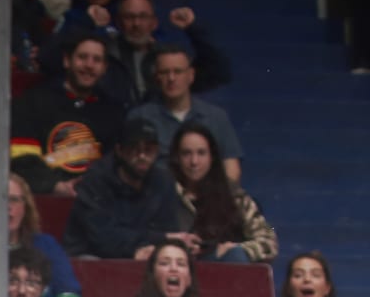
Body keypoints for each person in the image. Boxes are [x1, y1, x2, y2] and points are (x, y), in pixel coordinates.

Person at [11, 31, 125, 196]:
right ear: (67, 61)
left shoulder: (113, 112)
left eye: (97, 60)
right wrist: (56, 186)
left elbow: (115, 165)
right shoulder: (33, 103)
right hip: (44, 199)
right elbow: (22, 159)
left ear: (104, 68)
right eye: (82, 57)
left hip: (98, 200)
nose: (89, 65)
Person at [64, 117, 187, 260]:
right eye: (134, 149)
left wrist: (154, 245)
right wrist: (152, 242)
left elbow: (168, 229)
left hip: (147, 254)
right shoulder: (96, 180)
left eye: (148, 150)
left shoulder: (163, 181)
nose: (142, 156)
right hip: (92, 257)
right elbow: (102, 237)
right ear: (120, 151)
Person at [128, 45, 241, 182]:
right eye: (164, 72)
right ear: (157, 77)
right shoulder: (139, 117)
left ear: (191, 75)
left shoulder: (216, 117)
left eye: (178, 71)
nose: (171, 78)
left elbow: (231, 168)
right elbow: (131, 170)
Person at [169, 123, 276, 266]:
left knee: (236, 256)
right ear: (177, 157)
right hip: (176, 271)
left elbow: (270, 241)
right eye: (186, 153)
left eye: (201, 153)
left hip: (221, 270)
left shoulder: (235, 196)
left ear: (212, 157)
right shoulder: (164, 194)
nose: (194, 161)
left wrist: (237, 248)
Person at [106, 0, 230, 110]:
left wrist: (193, 29)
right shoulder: (104, 57)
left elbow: (219, 72)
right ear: (118, 22)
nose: (136, 23)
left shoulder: (169, 58)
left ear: (154, 23)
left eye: (143, 16)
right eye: (129, 17)